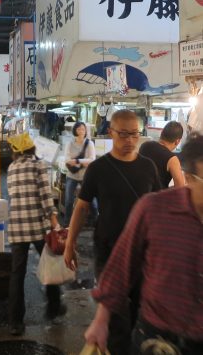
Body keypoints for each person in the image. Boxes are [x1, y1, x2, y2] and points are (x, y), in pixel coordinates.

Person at [84, 133, 203, 355]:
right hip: (158, 339)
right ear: (190, 178)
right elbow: (121, 266)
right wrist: (101, 321)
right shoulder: (154, 209)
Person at [63, 109, 161, 355]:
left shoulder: (148, 167)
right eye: (123, 135)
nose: (129, 141)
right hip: (108, 250)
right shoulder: (98, 168)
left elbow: (159, 208)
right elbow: (82, 207)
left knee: (141, 311)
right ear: (111, 132)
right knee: (115, 315)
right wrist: (69, 243)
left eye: (134, 135)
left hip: (143, 253)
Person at [6, 132, 64, 336]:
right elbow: (46, 196)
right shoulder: (38, 166)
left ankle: (15, 322)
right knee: (49, 264)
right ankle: (54, 308)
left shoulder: (12, 168)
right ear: (31, 148)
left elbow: (13, 194)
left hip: (16, 227)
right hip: (37, 226)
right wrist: (55, 221)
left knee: (17, 275)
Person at [64, 121, 96, 226]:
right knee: (68, 201)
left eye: (83, 129)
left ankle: (94, 221)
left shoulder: (89, 143)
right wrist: (84, 161)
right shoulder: (69, 143)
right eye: (79, 129)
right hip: (71, 176)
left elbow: (92, 159)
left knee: (92, 201)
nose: (81, 131)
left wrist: (77, 161)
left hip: (85, 176)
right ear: (75, 130)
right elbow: (67, 159)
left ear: (86, 130)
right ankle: (67, 224)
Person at [139, 120, 185, 188]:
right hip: (157, 197)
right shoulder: (172, 159)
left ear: (161, 133)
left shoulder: (144, 145)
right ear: (177, 141)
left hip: (138, 195)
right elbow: (180, 187)